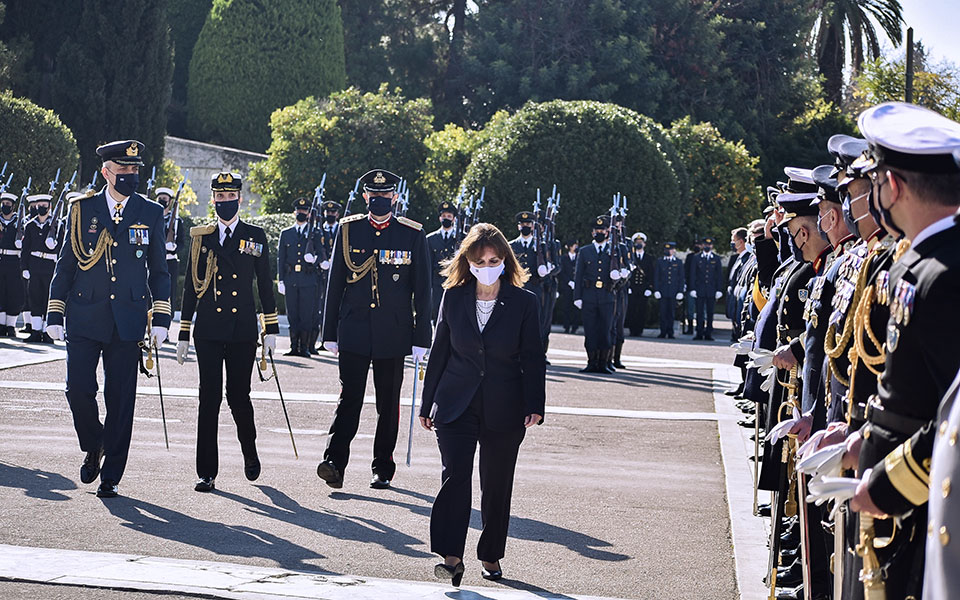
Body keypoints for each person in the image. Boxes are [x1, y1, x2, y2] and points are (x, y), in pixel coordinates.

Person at [418, 222, 545, 588]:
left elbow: (533, 357)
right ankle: (451, 556)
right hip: (455, 403)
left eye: (493, 259)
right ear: (468, 262)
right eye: (480, 260)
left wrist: (535, 402)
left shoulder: (525, 302)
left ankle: (491, 553)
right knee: (455, 476)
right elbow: (440, 351)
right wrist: (428, 404)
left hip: (506, 406)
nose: (487, 265)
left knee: (496, 483)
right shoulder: (453, 297)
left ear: (504, 260)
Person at [44, 140, 171, 499]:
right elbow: (66, 263)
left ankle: (111, 473)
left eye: (135, 171)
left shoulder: (150, 213)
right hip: (84, 314)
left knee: (121, 399)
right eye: (123, 171)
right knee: (78, 389)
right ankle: (94, 441)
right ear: (106, 172)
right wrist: (55, 309)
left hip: (128, 319)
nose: (131, 176)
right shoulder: (82, 210)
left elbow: (160, 270)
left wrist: (161, 316)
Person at [316, 169, 431, 490]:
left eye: (385, 196)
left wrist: (422, 337)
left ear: (395, 197)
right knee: (349, 398)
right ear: (365, 197)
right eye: (373, 195)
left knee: (387, 403)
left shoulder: (411, 233)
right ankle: (334, 461)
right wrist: (329, 332)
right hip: (353, 330)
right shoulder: (349, 230)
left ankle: (383, 467)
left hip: (393, 334)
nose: (379, 200)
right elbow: (335, 282)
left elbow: (422, 291)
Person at [176, 172, 279, 492]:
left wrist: (271, 328)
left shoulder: (254, 235)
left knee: (238, 396)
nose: (224, 202)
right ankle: (206, 471)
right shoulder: (201, 237)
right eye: (219, 198)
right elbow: (191, 286)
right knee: (208, 398)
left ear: (240, 199)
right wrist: (183, 330)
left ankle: (249, 451)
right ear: (213, 200)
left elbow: (265, 284)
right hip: (207, 329)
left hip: (241, 330)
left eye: (230, 197)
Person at [277, 197, 321, 357]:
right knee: (293, 315)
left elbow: (321, 255)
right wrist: (281, 279)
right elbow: (281, 258)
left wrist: (315, 260)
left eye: (304, 210)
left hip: (308, 280)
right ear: (294, 211)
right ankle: (293, 346)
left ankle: (305, 348)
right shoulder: (286, 233)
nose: (301, 213)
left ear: (309, 213)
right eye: (299, 210)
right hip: (290, 279)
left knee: (306, 316)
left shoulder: (314, 233)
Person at [573, 216, 617, 373]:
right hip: (589, 296)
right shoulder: (585, 251)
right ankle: (591, 362)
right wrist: (577, 297)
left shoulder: (613, 250)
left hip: (607, 296)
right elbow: (578, 275)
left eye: (602, 230)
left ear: (607, 232)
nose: (599, 232)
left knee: (605, 330)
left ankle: (603, 363)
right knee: (590, 331)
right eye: (597, 230)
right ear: (592, 233)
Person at [20, 193, 62, 343]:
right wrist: (24, 267)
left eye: (44, 206)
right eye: (39, 206)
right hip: (35, 265)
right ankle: (36, 331)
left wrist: (55, 247)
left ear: (50, 207)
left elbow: (64, 248)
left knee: (48, 299)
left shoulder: (58, 225)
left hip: (50, 266)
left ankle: (47, 332)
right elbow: (25, 249)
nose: (41, 208)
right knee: (35, 298)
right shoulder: (30, 225)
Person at [156, 187, 184, 342]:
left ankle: (165, 328)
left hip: (170, 261)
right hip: (154, 261)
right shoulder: (152, 217)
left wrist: (174, 247)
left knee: (169, 295)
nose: (162, 201)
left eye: (165, 199)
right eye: (160, 197)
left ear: (170, 201)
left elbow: (181, 243)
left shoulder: (177, 222)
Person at [314, 200, 341, 353]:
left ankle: (337, 337)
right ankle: (324, 338)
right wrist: (321, 261)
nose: (330, 215)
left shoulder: (341, 229)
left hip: (337, 273)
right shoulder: (318, 231)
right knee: (322, 307)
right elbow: (315, 249)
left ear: (337, 214)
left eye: (333, 212)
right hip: (322, 273)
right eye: (328, 213)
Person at [426, 201, 459, 323]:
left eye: (449, 217)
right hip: (437, 283)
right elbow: (428, 265)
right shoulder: (431, 239)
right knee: (437, 314)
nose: (446, 219)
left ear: (454, 219)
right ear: (440, 218)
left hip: (455, 281)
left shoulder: (462, 238)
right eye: (444, 216)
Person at [509, 211, 546, 310]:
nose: (525, 226)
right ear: (518, 227)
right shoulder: (511, 246)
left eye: (528, 224)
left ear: (533, 226)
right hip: (517, 287)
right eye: (522, 224)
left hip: (535, 287)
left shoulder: (540, 246)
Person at [689, 236, 724, 340]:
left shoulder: (716, 258)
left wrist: (719, 289)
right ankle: (699, 333)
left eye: (709, 245)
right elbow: (693, 274)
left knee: (710, 313)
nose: (707, 246)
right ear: (702, 245)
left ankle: (708, 333)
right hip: (699, 289)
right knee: (699, 312)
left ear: (712, 246)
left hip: (711, 290)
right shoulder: (696, 257)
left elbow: (719, 275)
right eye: (705, 244)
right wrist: (692, 288)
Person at [0, 191, 24, 337]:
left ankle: (10, 325)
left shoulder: (19, 222)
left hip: (14, 261)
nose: (5, 207)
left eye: (8, 204)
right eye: (3, 204)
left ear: (13, 207)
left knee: (13, 293)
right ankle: (1, 325)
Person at [725, 228, 751, 342]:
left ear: (741, 242)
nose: (732, 243)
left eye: (733, 240)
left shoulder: (747, 258)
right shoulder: (738, 257)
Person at [653, 242, 684, 338]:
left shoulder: (678, 262)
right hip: (662, 291)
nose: (668, 251)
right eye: (666, 249)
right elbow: (657, 277)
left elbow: (681, 278)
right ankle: (663, 332)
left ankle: (670, 332)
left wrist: (680, 291)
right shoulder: (660, 261)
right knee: (662, 313)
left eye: (670, 249)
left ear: (673, 250)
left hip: (673, 291)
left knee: (671, 313)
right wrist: (656, 289)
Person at [626, 232, 654, 337]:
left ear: (644, 244)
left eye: (640, 242)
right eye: (637, 242)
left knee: (642, 310)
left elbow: (651, 274)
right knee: (632, 310)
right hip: (633, 288)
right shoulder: (630, 257)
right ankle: (632, 330)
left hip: (643, 288)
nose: (639, 244)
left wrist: (649, 288)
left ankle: (640, 330)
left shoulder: (648, 258)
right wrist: (628, 286)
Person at [558, 240, 580, 334]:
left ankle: (575, 327)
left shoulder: (579, 257)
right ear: (570, 247)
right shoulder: (564, 258)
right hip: (567, 286)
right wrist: (569, 282)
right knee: (566, 307)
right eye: (574, 245)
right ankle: (566, 326)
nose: (576, 247)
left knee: (575, 307)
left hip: (576, 286)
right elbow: (562, 272)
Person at [682, 239, 701, 334]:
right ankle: (689, 328)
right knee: (689, 309)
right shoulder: (690, 257)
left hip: (701, 288)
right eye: (695, 244)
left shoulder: (703, 256)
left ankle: (700, 329)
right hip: (690, 287)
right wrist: (685, 284)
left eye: (698, 244)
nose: (697, 246)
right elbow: (686, 271)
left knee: (701, 310)